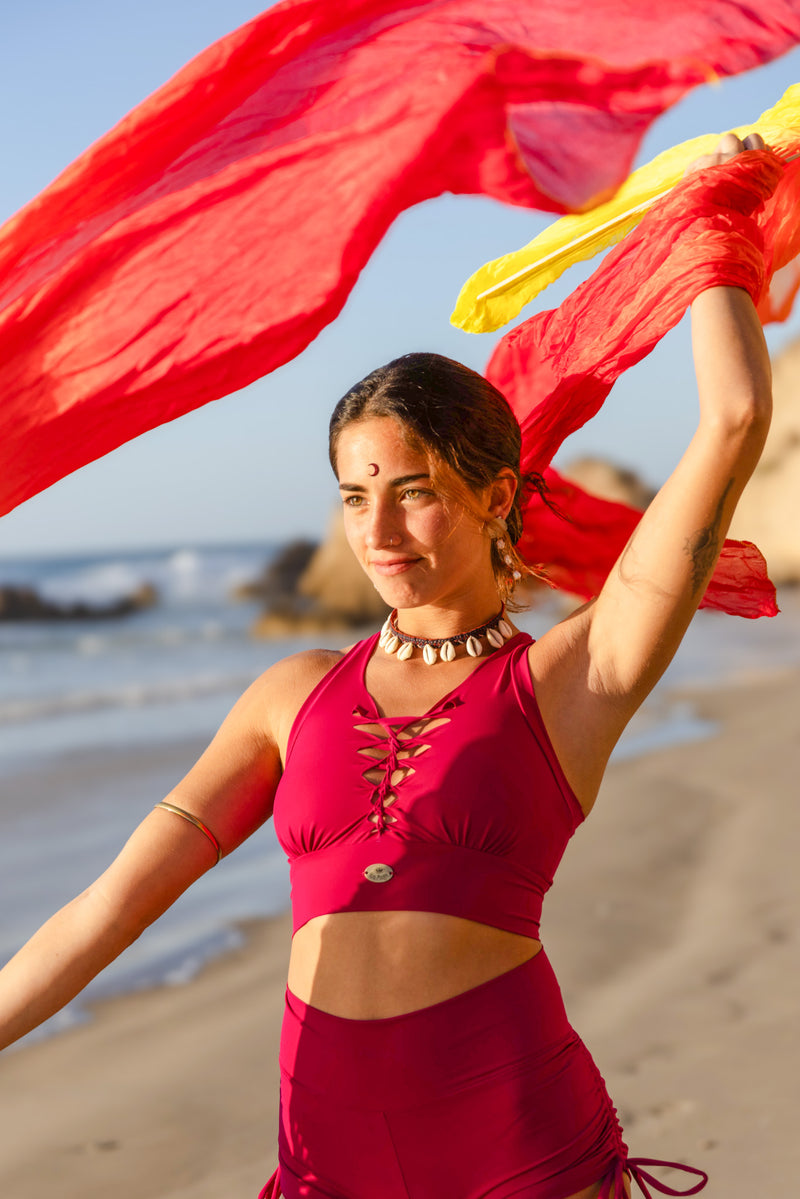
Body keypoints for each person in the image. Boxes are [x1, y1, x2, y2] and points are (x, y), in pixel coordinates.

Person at [0, 133, 773, 1199]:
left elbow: (730, 423)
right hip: (323, 1163)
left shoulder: (571, 676)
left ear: (493, 495)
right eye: (352, 495)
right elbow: (111, 906)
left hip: (515, 1149)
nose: (377, 528)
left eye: (409, 488)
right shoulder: (289, 695)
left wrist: (710, 225)